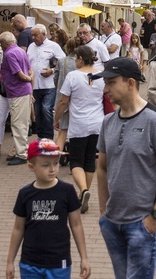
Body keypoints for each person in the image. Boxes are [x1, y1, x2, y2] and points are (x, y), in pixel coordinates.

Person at [93, 57, 156, 278]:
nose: (106, 89)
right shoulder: (108, 122)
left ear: (130, 83)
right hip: (113, 223)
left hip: (142, 224)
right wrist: (104, 213)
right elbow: (101, 167)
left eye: (111, 82)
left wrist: (155, 217)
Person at [6, 139, 90, 279]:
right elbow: (18, 228)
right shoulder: (25, 194)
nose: (52, 169)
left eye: (56, 163)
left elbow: (76, 225)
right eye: (45, 165)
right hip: (30, 262)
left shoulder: (67, 191)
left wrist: (84, 258)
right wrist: (10, 261)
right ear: (31, 167)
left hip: (58, 261)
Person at [54, 46, 104, 213]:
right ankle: (85, 192)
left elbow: (63, 102)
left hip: (79, 124)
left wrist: (57, 119)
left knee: (76, 161)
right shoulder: (100, 75)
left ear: (81, 59)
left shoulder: (73, 76)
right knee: (90, 159)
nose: (75, 61)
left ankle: (83, 190)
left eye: (76, 58)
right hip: (97, 123)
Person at [0, 32, 34, 165]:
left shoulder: (9, 54)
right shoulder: (20, 51)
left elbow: (20, 74)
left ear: (4, 43)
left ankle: (21, 154)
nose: (1, 46)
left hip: (17, 91)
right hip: (22, 91)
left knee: (17, 123)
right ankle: (21, 150)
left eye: (1, 44)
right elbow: (29, 70)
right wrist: (30, 80)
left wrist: (27, 79)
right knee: (21, 122)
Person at [28, 25, 66, 140]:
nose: (33, 37)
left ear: (44, 35)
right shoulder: (31, 47)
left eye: (36, 35)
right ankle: (41, 136)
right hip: (35, 86)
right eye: (32, 35)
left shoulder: (53, 46)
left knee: (46, 109)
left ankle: (48, 137)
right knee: (38, 112)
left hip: (49, 85)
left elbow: (62, 61)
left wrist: (52, 70)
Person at [54, 38, 80, 156]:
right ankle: (76, 159)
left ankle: (55, 159)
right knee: (79, 133)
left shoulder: (61, 61)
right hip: (79, 101)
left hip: (63, 100)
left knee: (62, 132)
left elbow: (55, 79)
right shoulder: (82, 63)